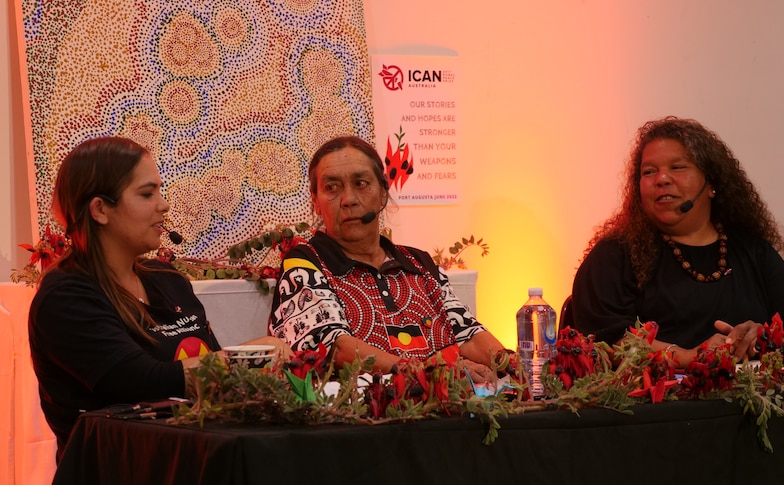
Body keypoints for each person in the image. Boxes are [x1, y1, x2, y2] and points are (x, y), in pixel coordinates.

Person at [28, 136, 290, 459]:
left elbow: (216, 382)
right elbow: (144, 383)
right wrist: (256, 356)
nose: (163, 205)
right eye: (147, 194)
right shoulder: (65, 298)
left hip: (195, 462)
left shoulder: (168, 281)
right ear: (100, 210)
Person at [569, 116, 784, 367]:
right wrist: (687, 357)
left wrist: (762, 336)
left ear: (712, 184)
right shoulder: (614, 255)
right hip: (657, 404)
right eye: (649, 172)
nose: (662, 179)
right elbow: (606, 340)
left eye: (677, 167)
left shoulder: (753, 251)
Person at [269, 135, 505, 382]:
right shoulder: (305, 263)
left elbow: (467, 333)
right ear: (315, 201)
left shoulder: (418, 262)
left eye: (361, 183)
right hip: (364, 414)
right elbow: (334, 346)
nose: (348, 199)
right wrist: (429, 375)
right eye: (331, 187)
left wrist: (514, 365)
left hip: (445, 404)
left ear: (383, 193)